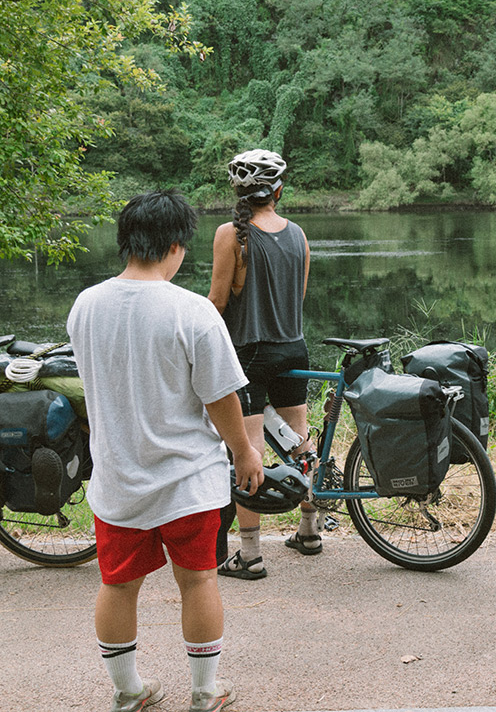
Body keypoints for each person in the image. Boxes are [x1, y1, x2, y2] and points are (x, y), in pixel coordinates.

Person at [66, 190, 264, 712]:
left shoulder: (86, 304)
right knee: (198, 580)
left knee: (117, 585)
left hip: (118, 480)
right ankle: (205, 691)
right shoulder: (192, 311)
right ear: (176, 246)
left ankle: (128, 690)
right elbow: (221, 397)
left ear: (126, 242)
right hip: (187, 480)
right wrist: (244, 452)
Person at [208, 149, 315, 580]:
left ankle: (250, 555)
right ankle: (309, 531)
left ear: (237, 191)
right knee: (299, 442)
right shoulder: (299, 235)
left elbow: (216, 301)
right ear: (279, 191)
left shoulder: (231, 234)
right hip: (293, 347)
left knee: (247, 451)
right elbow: (299, 298)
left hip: (249, 352)